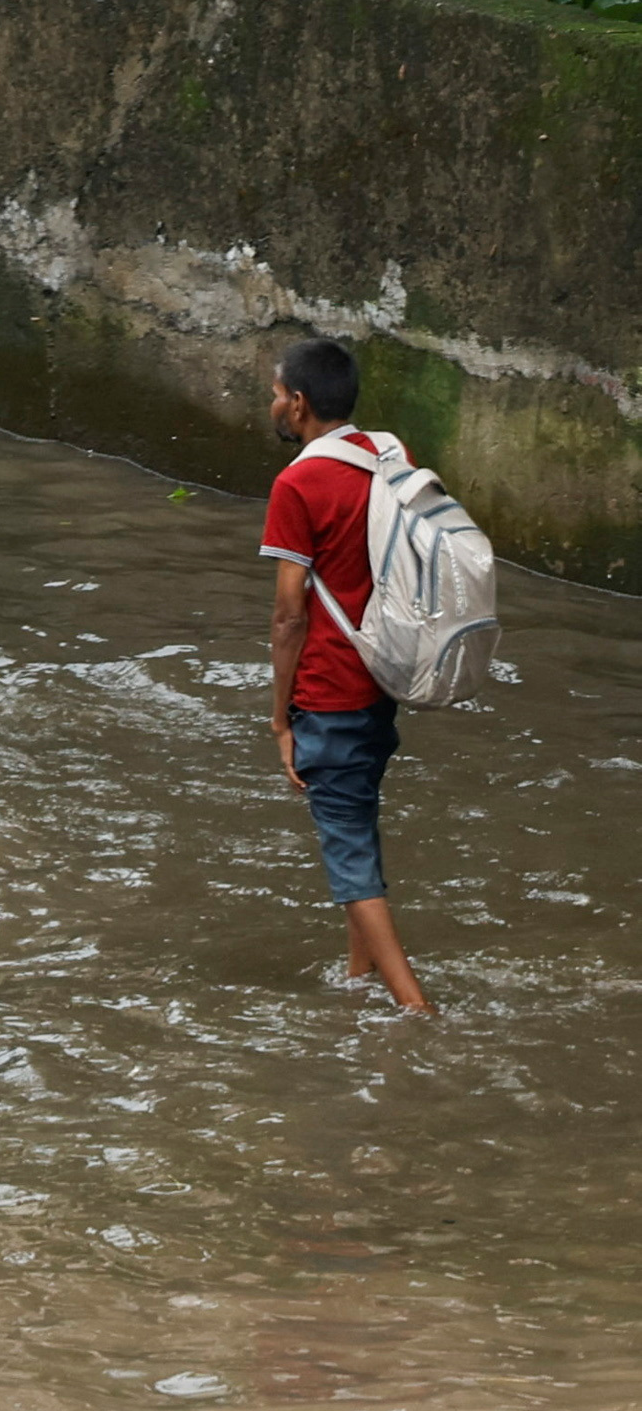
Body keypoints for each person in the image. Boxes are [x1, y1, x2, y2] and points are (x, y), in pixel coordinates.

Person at [262, 337, 437, 1017]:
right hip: (382, 679)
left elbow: (287, 615)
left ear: (299, 404)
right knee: (358, 820)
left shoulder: (298, 483)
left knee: (348, 853)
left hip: (328, 691)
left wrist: (280, 719)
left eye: (276, 394)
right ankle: (357, 979)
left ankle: (415, 1011)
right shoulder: (391, 456)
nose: (273, 404)